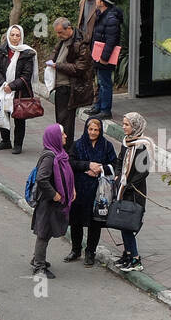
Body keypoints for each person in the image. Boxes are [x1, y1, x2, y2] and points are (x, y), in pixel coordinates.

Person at [66, 117, 118, 266]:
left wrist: (99, 169)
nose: (93, 132)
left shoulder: (107, 146)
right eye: (90, 129)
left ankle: (90, 252)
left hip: (98, 192)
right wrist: (87, 165)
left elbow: (114, 164)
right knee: (76, 222)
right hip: (79, 190)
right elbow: (71, 162)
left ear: (100, 131)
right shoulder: (77, 145)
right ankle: (76, 250)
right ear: (86, 129)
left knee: (95, 223)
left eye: (96, 130)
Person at [30, 123, 76, 278]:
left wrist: (72, 189)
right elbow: (42, 179)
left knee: (47, 232)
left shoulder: (60, 153)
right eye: (62, 134)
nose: (65, 136)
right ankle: (39, 266)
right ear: (55, 137)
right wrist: (54, 194)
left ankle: (38, 257)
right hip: (47, 203)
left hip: (54, 202)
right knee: (44, 233)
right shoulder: (50, 157)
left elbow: (67, 174)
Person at [45, 16, 92, 148]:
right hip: (60, 86)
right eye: (57, 32)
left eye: (60, 32)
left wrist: (57, 66)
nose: (58, 35)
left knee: (66, 120)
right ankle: (61, 145)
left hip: (70, 87)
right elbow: (55, 53)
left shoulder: (81, 44)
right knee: (61, 119)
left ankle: (66, 149)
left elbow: (80, 68)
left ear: (69, 28)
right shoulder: (63, 40)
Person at [0, 24, 37, 154]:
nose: (15, 37)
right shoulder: (2, 50)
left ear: (21, 37)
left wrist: (12, 86)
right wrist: (3, 84)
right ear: (8, 35)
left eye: (17, 35)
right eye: (12, 35)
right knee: (3, 114)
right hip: (3, 88)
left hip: (19, 90)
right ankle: (5, 141)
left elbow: (26, 75)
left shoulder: (27, 53)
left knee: (19, 117)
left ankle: (18, 144)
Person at [115, 111, 154, 272]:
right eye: (123, 124)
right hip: (124, 190)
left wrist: (128, 184)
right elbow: (119, 160)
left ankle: (136, 259)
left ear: (135, 126)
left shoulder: (142, 146)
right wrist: (118, 176)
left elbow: (143, 172)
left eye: (127, 124)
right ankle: (127, 254)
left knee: (128, 225)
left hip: (135, 193)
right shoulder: (127, 142)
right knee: (124, 224)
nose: (123, 127)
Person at [86, 0, 123, 120]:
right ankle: (98, 106)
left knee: (105, 83)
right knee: (100, 82)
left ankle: (105, 110)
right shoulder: (101, 15)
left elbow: (111, 40)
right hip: (98, 55)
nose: (96, 1)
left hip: (104, 57)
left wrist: (104, 58)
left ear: (102, 2)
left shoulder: (111, 19)